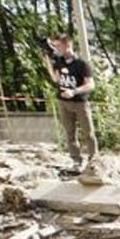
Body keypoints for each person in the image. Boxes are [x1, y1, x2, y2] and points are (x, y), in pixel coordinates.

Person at [43, 33, 97, 173]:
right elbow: (55, 79)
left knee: (88, 133)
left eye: (58, 46)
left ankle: (93, 160)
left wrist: (74, 91)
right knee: (70, 133)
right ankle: (76, 161)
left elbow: (90, 84)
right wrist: (48, 61)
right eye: (54, 46)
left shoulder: (81, 64)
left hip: (79, 102)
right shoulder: (59, 62)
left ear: (67, 45)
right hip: (63, 102)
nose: (56, 49)